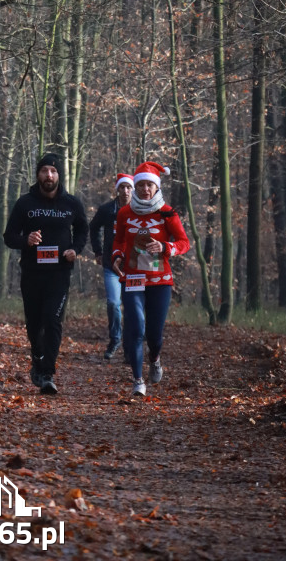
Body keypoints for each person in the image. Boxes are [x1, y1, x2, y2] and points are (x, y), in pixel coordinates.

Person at [3, 153, 88, 395]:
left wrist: (76, 249)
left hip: (59, 274)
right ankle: (37, 357)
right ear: (38, 175)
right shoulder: (25, 204)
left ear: (59, 175)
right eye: (44, 171)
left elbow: (83, 229)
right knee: (34, 324)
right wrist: (26, 240)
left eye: (53, 171)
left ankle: (48, 373)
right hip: (32, 273)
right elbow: (9, 237)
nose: (48, 175)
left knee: (52, 320)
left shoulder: (71, 203)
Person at [112, 161, 190, 397]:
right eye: (141, 185)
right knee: (135, 328)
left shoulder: (167, 212)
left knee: (154, 333)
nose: (145, 189)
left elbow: (184, 243)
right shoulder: (125, 213)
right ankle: (138, 381)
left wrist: (166, 247)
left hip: (160, 279)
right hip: (133, 277)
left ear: (156, 187)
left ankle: (155, 358)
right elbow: (119, 241)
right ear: (135, 187)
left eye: (149, 185)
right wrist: (117, 256)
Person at [89, 173, 134, 360]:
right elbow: (93, 227)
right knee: (114, 303)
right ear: (117, 189)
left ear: (133, 189)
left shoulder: (139, 209)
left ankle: (131, 346)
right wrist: (98, 251)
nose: (125, 191)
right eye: (122, 187)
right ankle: (115, 339)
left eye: (128, 187)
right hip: (111, 265)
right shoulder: (108, 210)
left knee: (133, 306)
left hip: (134, 268)